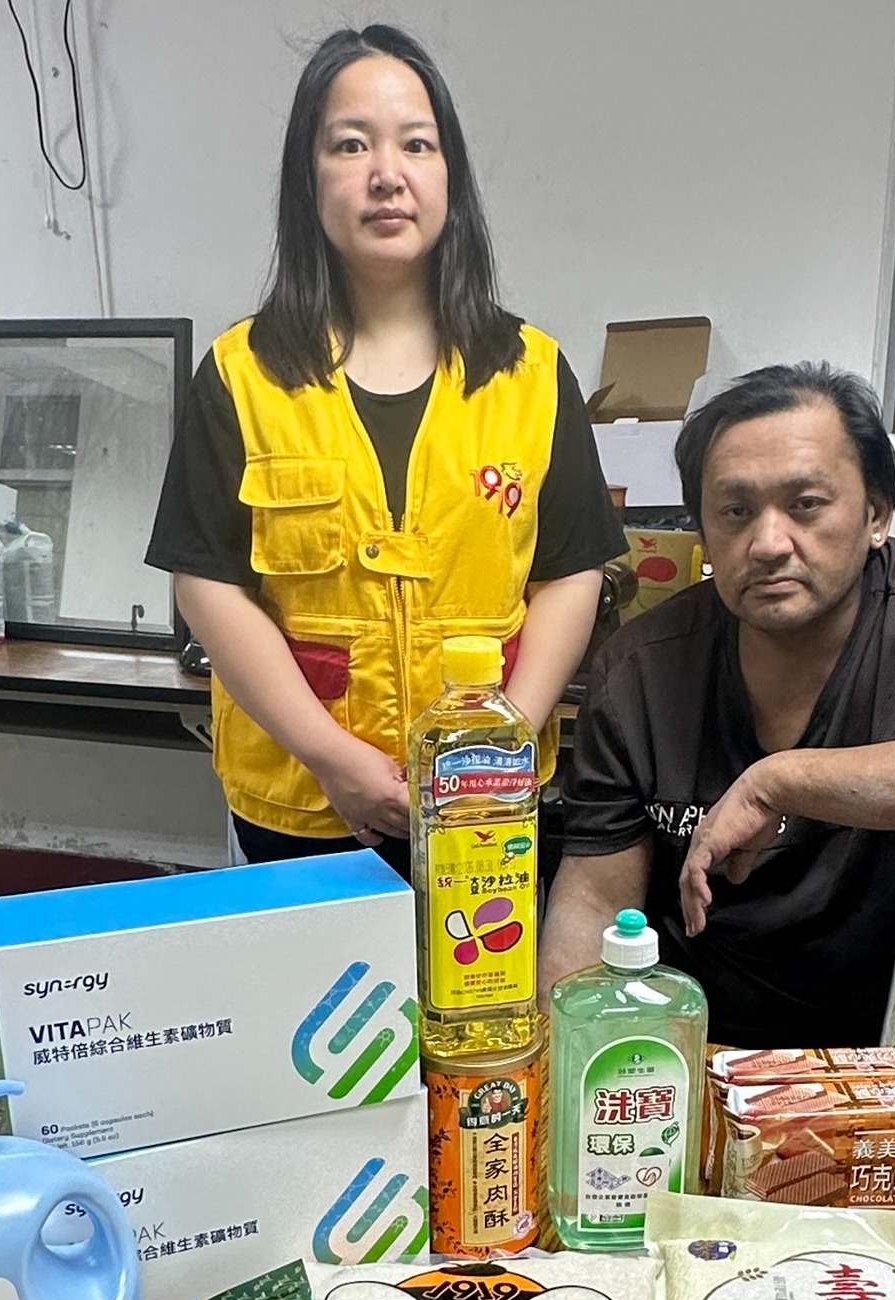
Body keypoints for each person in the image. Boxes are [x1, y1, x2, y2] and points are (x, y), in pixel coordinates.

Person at [146, 23, 624, 875]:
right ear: (308, 178)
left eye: (416, 144)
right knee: (315, 971)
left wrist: (501, 748)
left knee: (479, 965)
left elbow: (569, 573)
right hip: (303, 797)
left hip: (488, 798)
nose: (386, 173)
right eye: (351, 144)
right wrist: (333, 757)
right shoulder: (242, 374)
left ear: (450, 176)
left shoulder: (531, 372)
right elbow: (208, 585)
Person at [539, 362, 895, 1089]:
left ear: (877, 513)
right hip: (701, 1038)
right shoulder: (641, 669)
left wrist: (781, 782)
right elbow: (595, 900)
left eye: (806, 505)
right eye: (735, 512)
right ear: (703, 532)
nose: (768, 542)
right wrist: (563, 1072)